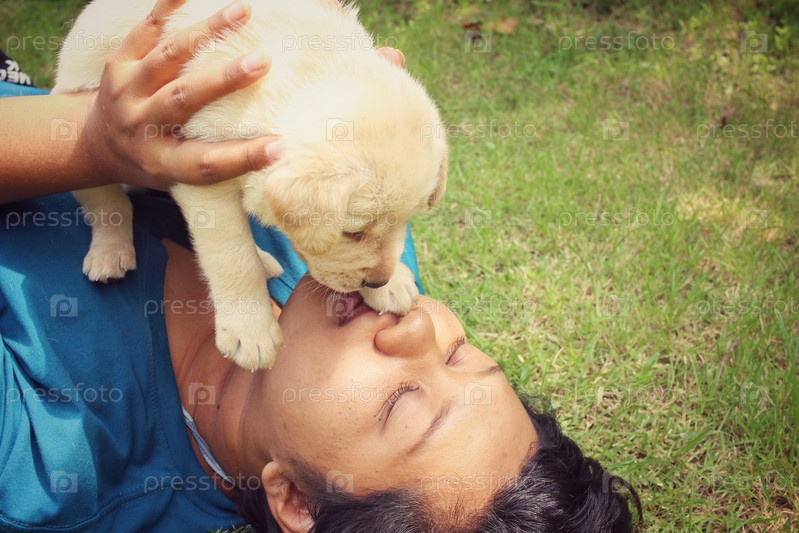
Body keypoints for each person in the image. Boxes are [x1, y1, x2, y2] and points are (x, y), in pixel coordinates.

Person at [0, 1, 642, 531]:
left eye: (401, 404)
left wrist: (91, 141)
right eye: (460, 353)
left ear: (298, 503)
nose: (417, 327)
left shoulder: (45, 458)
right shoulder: (361, 263)